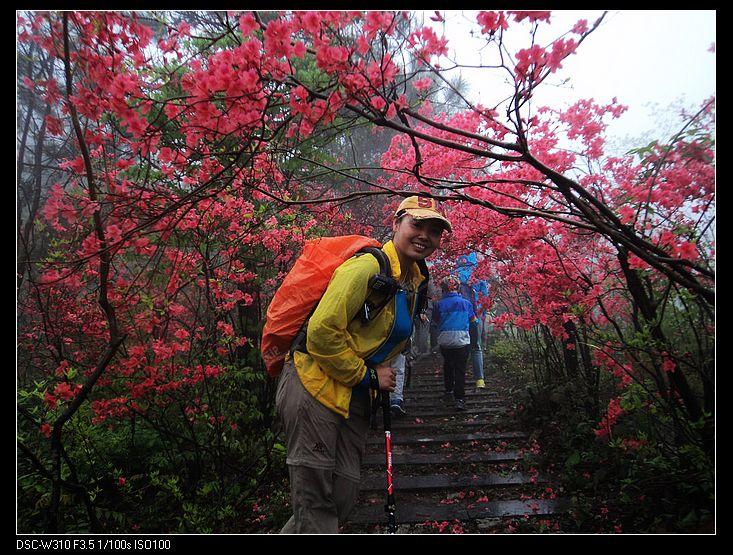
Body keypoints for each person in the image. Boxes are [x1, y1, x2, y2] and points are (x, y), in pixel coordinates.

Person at [276, 195, 451, 533]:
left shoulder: (415, 282)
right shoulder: (367, 267)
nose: (425, 236)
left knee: (342, 494)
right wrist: (368, 375)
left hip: (356, 395)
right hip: (314, 383)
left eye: (434, 230)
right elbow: (322, 332)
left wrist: (374, 379)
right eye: (417, 224)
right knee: (315, 504)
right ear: (396, 223)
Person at [432, 276, 477, 411]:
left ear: (443, 289)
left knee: (448, 364)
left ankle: (448, 390)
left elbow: (435, 322)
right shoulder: (466, 303)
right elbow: (473, 321)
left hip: (445, 341)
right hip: (462, 341)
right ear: (458, 288)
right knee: (460, 369)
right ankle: (460, 399)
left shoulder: (438, 305)